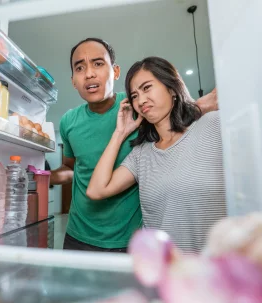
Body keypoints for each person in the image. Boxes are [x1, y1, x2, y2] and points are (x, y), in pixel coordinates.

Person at [50, 38, 218, 252]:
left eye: (98, 64)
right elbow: (71, 168)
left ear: (115, 71)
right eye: (80, 68)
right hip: (78, 231)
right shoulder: (68, 121)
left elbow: (172, 113)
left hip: (129, 236)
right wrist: (43, 178)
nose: (89, 73)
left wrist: (201, 105)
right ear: (73, 80)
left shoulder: (135, 108)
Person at [86, 56, 226, 253]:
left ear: (171, 88)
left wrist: (198, 107)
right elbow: (96, 190)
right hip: (166, 275)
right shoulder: (141, 155)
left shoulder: (212, 125)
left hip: (219, 273)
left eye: (146, 88)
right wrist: (120, 134)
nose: (141, 100)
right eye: (134, 95)